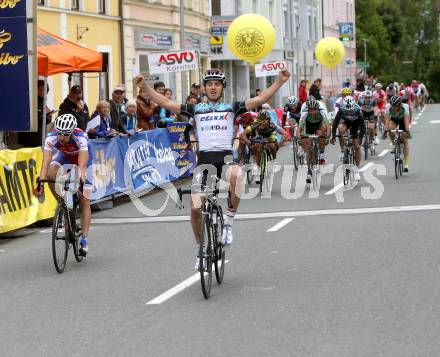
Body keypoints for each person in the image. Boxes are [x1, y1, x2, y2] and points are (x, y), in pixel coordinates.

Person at [135, 67, 290, 269]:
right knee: (194, 207)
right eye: (209, 84)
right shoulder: (195, 108)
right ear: (204, 88)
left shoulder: (232, 107)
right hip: (205, 163)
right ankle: (201, 248)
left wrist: (279, 81)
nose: (213, 87)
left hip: (225, 159)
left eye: (217, 84)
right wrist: (145, 86)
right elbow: (165, 102)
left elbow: (259, 101)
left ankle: (228, 223)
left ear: (223, 87)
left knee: (238, 174)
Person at [34, 114, 92, 255]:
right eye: (59, 133)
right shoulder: (51, 137)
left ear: (72, 132)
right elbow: (45, 164)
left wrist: (82, 179)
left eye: (65, 135)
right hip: (65, 156)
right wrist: (41, 183)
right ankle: (62, 203)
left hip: (83, 159)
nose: (61, 137)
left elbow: (82, 164)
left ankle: (84, 239)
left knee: (84, 200)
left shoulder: (81, 137)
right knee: (49, 175)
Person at [297, 96, 331, 183]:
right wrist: (299, 137)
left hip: (319, 124)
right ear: (308, 110)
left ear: (317, 109)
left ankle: (322, 153)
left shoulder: (322, 112)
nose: (312, 112)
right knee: (308, 150)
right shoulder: (304, 114)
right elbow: (299, 128)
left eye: (314, 110)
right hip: (308, 126)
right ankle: (309, 171)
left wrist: (327, 136)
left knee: (321, 133)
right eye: (310, 110)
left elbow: (328, 126)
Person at [331, 96, 364, 181]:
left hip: (355, 125)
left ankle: (356, 170)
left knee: (357, 147)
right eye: (347, 110)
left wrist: (360, 138)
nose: (349, 112)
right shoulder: (341, 110)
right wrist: (334, 135)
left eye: (350, 110)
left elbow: (363, 127)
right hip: (346, 122)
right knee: (340, 129)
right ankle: (342, 150)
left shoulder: (357, 110)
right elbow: (335, 123)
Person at [385, 95, 411, 172]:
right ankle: (393, 144)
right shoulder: (388, 106)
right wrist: (385, 130)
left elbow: (406, 120)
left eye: (395, 106)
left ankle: (406, 163)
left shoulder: (405, 107)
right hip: (394, 120)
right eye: (392, 105)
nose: (393, 107)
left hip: (403, 120)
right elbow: (387, 119)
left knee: (405, 140)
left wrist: (407, 131)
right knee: (389, 129)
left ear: (399, 105)